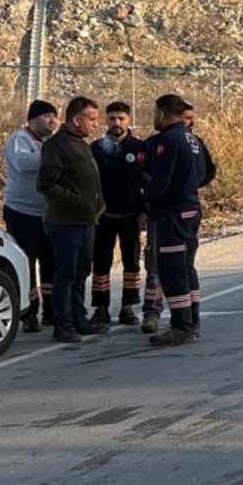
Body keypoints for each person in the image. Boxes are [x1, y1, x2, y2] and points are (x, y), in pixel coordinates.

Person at [36, 95, 108, 344]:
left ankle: (79, 318)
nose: (96, 124)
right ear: (76, 120)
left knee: (80, 273)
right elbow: (46, 184)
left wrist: (97, 207)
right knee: (65, 275)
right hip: (66, 222)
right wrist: (76, 201)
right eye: (92, 119)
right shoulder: (56, 146)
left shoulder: (81, 143)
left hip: (86, 222)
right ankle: (63, 324)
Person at [145, 93, 210, 347]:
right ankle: (192, 322)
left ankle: (181, 326)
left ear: (161, 114)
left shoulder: (168, 141)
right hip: (190, 210)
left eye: (154, 114)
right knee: (186, 268)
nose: (154, 118)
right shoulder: (192, 140)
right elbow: (204, 173)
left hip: (172, 214)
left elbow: (160, 180)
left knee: (173, 271)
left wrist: (146, 201)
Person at [90, 101, 148, 326]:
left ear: (129, 120)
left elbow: (147, 183)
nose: (117, 123)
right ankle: (101, 308)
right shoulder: (96, 148)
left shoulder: (139, 148)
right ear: (107, 120)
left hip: (131, 215)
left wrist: (144, 211)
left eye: (121, 118)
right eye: (112, 118)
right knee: (101, 263)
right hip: (103, 216)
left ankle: (128, 307)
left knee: (131, 262)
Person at [3, 99, 58, 332]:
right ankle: (29, 312)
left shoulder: (48, 143)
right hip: (22, 212)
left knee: (50, 263)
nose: (52, 121)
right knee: (27, 263)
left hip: (47, 214)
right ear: (33, 118)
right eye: (47, 116)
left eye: (55, 116)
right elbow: (23, 164)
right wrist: (53, 157)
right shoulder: (20, 139)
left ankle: (51, 310)